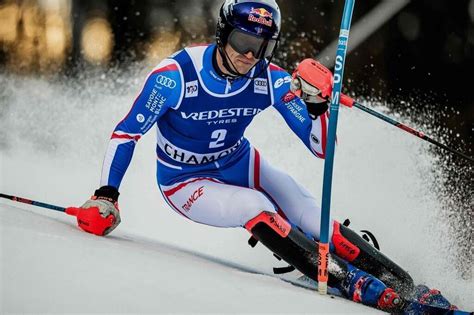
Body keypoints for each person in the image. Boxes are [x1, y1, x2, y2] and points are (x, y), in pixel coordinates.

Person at [70, 0, 456, 312]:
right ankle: (358, 285)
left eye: (263, 47)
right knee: (255, 204)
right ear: (223, 33)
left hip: (239, 163)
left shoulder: (269, 79)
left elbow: (322, 150)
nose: (249, 55)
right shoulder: (175, 77)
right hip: (186, 182)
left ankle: (406, 286)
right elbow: (127, 132)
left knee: (312, 216)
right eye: (242, 41)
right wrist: (106, 196)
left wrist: (319, 106)